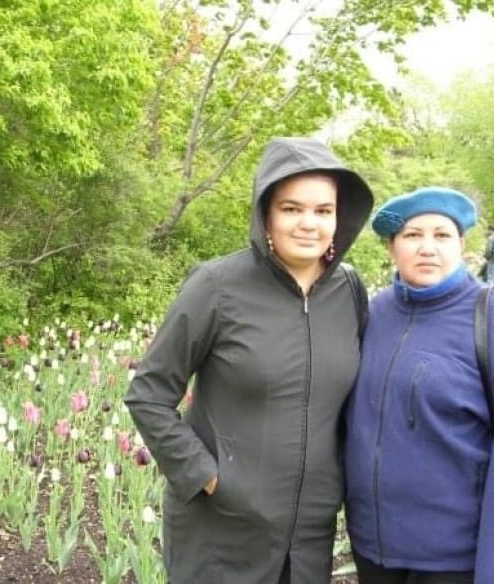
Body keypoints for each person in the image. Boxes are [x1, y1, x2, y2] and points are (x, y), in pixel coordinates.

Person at [125, 137, 374, 584]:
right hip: (222, 531)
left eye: (323, 211)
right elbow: (147, 394)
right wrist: (208, 476)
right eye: (291, 208)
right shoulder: (216, 286)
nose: (308, 224)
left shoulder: (349, 292)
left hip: (308, 537)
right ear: (266, 215)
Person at [345, 187, 494, 584]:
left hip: (453, 563)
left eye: (441, 235)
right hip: (375, 554)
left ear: (461, 245)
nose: (427, 247)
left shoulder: (493, 317)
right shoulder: (374, 314)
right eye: (412, 235)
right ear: (392, 247)